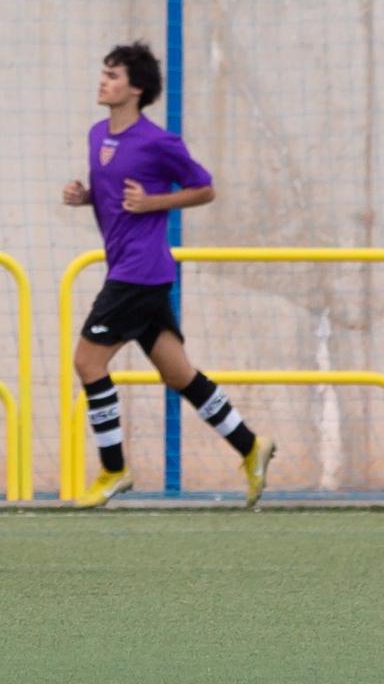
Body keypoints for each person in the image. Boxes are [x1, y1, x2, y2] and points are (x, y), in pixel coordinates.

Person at [62, 41, 275, 508]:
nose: (104, 81)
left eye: (114, 75)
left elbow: (205, 189)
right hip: (140, 273)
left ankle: (114, 469)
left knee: (87, 362)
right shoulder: (98, 134)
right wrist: (86, 198)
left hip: (139, 273)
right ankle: (251, 446)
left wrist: (155, 202)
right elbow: (114, 197)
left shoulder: (159, 142)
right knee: (180, 374)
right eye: (104, 72)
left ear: (136, 89)